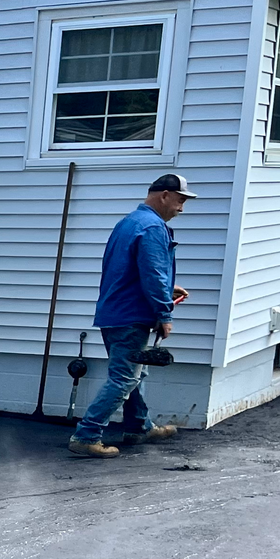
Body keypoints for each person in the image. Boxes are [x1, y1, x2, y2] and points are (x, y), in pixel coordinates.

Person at [70, 173, 194, 459]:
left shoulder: (129, 222)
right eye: (180, 200)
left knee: (133, 373)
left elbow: (131, 269)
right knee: (124, 378)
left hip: (113, 312)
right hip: (131, 315)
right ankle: (86, 435)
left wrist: (166, 286)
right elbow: (152, 272)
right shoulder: (153, 227)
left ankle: (140, 426)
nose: (182, 208)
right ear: (164, 195)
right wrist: (164, 313)